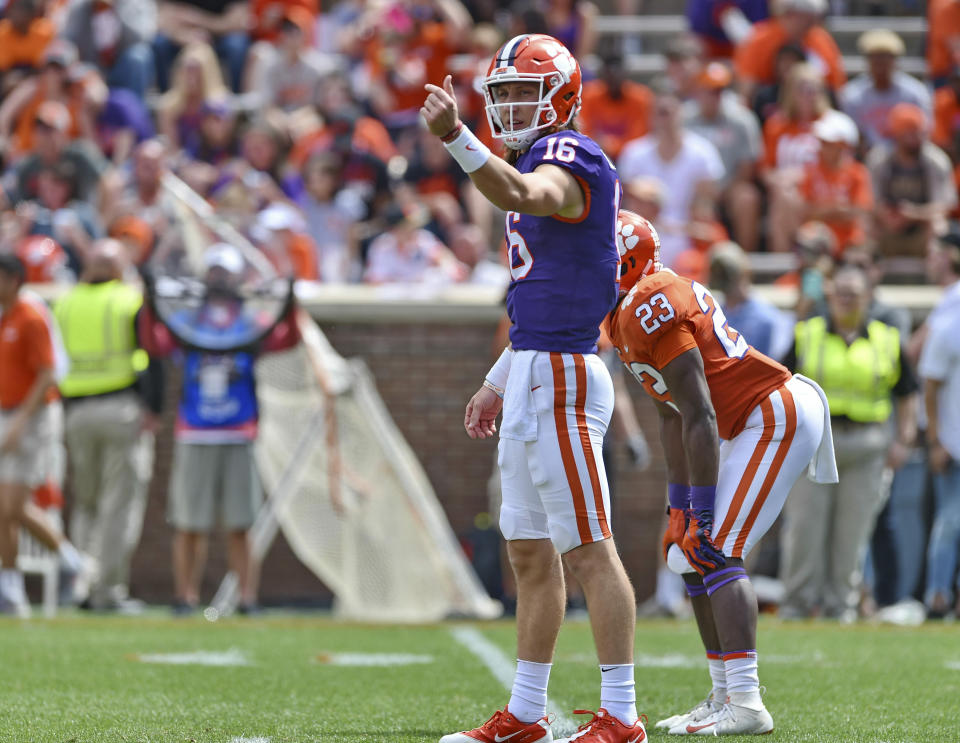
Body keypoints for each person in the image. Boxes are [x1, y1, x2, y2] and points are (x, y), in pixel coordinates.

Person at [421, 33, 646, 743]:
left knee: (588, 550)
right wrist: (498, 378)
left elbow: (523, 192)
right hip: (531, 370)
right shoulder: (525, 157)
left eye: (527, 92)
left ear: (564, 97)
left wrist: (456, 135)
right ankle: (524, 714)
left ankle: (622, 714)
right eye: (505, 93)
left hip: (565, 377)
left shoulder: (568, 156)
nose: (514, 105)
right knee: (526, 551)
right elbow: (534, 296)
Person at [606, 211, 837, 735]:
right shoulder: (626, 309)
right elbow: (671, 415)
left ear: (624, 263)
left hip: (772, 411)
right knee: (688, 555)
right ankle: (723, 694)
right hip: (745, 421)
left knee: (714, 546)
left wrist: (702, 511)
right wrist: (678, 507)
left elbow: (701, 415)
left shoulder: (649, 302)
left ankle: (748, 702)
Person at [139, 243, 299, 614]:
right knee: (188, 522)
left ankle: (247, 598)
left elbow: (285, 338)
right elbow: (154, 342)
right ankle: (185, 596)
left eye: (225, 272)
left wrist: (290, 301)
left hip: (239, 430)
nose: (219, 279)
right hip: (195, 429)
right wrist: (148, 301)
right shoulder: (188, 321)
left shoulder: (249, 321)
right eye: (213, 271)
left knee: (241, 523)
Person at [779, 263, 918, 621]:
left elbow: (907, 393)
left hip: (867, 445)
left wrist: (904, 439)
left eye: (853, 294)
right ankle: (795, 606)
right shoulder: (808, 332)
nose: (846, 301)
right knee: (805, 529)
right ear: (830, 295)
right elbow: (779, 383)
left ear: (868, 297)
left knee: (852, 535)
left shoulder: (886, 338)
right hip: (814, 444)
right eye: (840, 293)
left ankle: (841, 608)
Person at [53, 240, 163, 612]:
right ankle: (107, 591)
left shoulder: (66, 302)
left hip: (76, 413)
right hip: (120, 409)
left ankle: (81, 584)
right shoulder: (128, 300)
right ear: (118, 268)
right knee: (119, 505)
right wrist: (155, 407)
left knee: (86, 504)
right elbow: (152, 353)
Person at [0, 253, 57, 617]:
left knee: (13, 507)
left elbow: (48, 374)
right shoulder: (4, 318)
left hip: (29, 417)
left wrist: (19, 421)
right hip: (8, 414)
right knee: (3, 509)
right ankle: (11, 586)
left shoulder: (31, 316)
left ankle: (69, 562)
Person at [919, 240, 960, 618]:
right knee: (950, 522)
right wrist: (935, 439)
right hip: (953, 443)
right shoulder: (951, 323)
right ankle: (937, 595)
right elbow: (930, 383)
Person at [867, 103, 957, 258]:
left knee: (939, 225)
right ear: (896, 135)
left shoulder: (936, 161)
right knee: (865, 223)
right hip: (888, 229)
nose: (916, 139)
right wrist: (888, 216)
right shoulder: (880, 160)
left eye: (919, 133)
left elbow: (945, 207)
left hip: (921, 231)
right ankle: (868, 271)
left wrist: (913, 214)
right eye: (909, 134)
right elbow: (869, 202)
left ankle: (941, 273)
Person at [840, 29, 932, 152]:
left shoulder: (914, 93)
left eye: (885, 61)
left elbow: (924, 130)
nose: (880, 67)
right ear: (868, 63)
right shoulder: (852, 94)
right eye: (875, 60)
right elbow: (852, 134)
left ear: (895, 63)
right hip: (866, 154)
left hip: (907, 153)